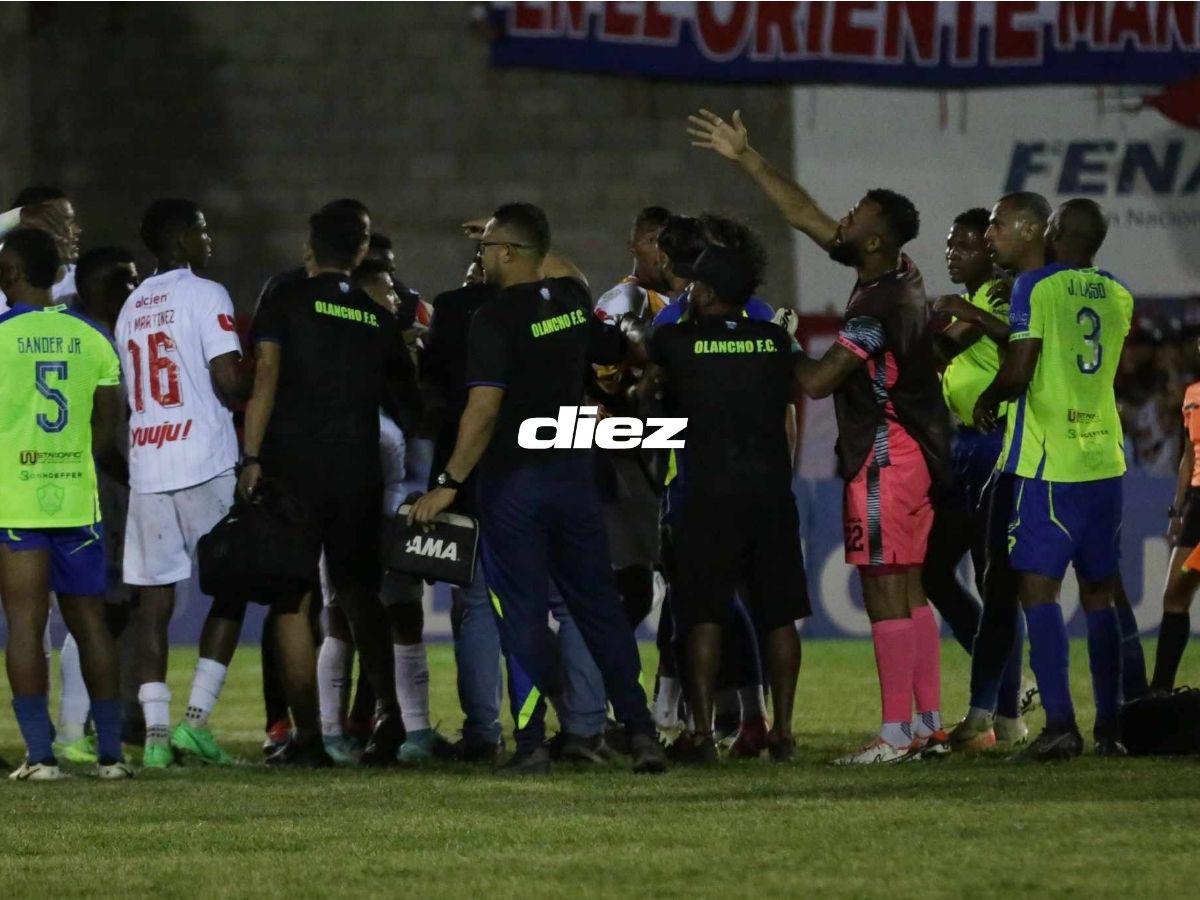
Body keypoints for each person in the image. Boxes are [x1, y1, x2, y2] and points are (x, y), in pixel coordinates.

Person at [691, 108, 952, 764]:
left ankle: (896, 733)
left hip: (884, 455)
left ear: (873, 239)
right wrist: (748, 158)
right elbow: (807, 217)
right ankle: (927, 723)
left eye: (858, 213)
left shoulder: (874, 308)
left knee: (882, 586)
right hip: (919, 452)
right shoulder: (900, 275)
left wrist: (773, 338)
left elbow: (815, 381)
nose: (844, 216)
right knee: (912, 584)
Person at [409, 202, 666, 775]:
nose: (481, 257)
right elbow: (603, 334)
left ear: (506, 254)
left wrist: (450, 483)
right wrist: (531, 242)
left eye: (488, 249)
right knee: (598, 609)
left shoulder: (492, 319)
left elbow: (482, 409)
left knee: (519, 615)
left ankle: (530, 748)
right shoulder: (574, 306)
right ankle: (642, 733)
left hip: (514, 487)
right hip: (576, 479)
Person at [241, 201, 410, 767]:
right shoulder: (377, 317)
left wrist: (250, 456)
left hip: (293, 467)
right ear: (362, 252)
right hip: (357, 470)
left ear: (308, 247)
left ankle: (308, 737)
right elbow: (406, 396)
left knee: (295, 598)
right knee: (360, 594)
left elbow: (265, 374)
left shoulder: (283, 298)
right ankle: (389, 718)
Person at [973, 198, 1133, 760]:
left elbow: (1019, 371)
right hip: (1105, 462)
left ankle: (1060, 724)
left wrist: (988, 399)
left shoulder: (1036, 287)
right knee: (1099, 594)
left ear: (1055, 231)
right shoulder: (1119, 294)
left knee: (1037, 590)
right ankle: (1112, 730)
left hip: (1049, 465)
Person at [643, 243, 808, 764]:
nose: (688, 291)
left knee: (703, 616)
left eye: (693, 285)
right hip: (770, 496)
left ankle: (702, 734)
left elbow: (644, 386)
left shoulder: (674, 341)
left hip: (705, 498)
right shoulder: (775, 340)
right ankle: (782, 732)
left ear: (707, 291)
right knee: (778, 616)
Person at [115, 199, 248, 768]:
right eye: (201, 230)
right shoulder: (206, 293)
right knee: (235, 584)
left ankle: (154, 738)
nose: (208, 239)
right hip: (205, 459)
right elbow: (228, 380)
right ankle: (195, 721)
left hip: (149, 463)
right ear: (179, 240)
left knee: (153, 603)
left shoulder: (130, 307)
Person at [0, 228, 132, 780]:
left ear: (11, 273)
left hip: (17, 503)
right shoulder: (94, 338)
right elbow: (109, 426)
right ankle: (111, 758)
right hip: (77, 500)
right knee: (90, 625)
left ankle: (41, 756)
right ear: (58, 273)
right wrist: (71, 458)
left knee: (26, 625)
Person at [925, 208, 1030, 749]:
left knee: (995, 580)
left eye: (964, 244)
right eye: (949, 244)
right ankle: (1006, 686)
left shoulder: (1005, 291)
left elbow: (1022, 338)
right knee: (937, 572)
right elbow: (946, 348)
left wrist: (960, 313)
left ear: (990, 250)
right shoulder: (980, 301)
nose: (953, 252)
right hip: (963, 445)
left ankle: (1002, 711)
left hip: (996, 442)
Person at [53, 246, 141, 763]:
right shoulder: (90, 337)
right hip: (98, 484)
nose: (131, 290)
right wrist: (137, 478)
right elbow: (103, 437)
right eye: (120, 281)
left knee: (112, 607)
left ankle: (89, 724)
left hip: (96, 482)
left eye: (134, 280)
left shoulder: (112, 333)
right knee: (96, 608)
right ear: (88, 287)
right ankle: (71, 730)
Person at [591, 206, 673, 630]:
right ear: (634, 246)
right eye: (654, 239)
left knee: (648, 590)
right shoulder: (626, 299)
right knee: (648, 586)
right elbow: (603, 375)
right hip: (630, 457)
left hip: (659, 453)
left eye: (669, 240)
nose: (663, 251)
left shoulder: (679, 299)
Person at [1151, 364, 1200, 691]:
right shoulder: (1192, 394)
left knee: (1177, 594)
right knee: (1175, 596)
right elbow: (1188, 455)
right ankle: (1161, 691)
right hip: (1197, 503)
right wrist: (1178, 508)